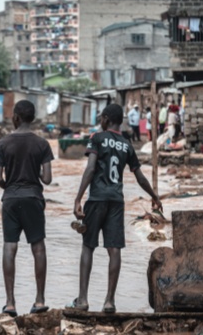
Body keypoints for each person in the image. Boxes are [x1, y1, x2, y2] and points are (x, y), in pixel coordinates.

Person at [68, 104, 162, 313]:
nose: (100, 120)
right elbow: (139, 176)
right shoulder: (127, 144)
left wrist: (78, 198)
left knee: (88, 246)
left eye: (102, 117)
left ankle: (82, 300)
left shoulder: (97, 138)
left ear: (107, 119)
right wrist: (154, 196)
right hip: (116, 201)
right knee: (114, 249)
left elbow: (91, 168)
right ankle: (109, 301)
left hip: (97, 199)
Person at [0, 100, 54, 318]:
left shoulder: (2, 144)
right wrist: (34, 173)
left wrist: (10, 186)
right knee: (38, 248)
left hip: (10, 199)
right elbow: (47, 179)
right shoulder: (42, 144)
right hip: (33, 199)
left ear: (16, 118)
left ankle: (10, 304)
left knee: (10, 248)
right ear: (33, 118)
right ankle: (39, 300)